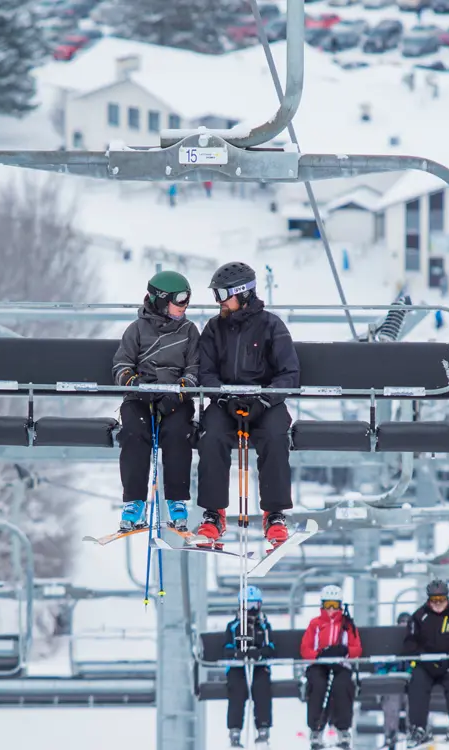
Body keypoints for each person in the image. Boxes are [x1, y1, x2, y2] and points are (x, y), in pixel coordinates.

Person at [194, 261, 300, 548]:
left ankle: (274, 514)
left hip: (266, 403)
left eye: (222, 295)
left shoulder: (271, 326)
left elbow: (289, 373)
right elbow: (205, 371)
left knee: (276, 435)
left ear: (243, 293)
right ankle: (214, 513)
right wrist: (223, 397)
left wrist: (265, 399)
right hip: (225, 402)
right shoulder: (215, 328)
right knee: (212, 434)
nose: (219, 302)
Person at [112, 270, 199, 532]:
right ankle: (134, 501)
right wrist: (136, 386)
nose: (185, 306)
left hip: (175, 400)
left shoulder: (189, 331)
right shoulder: (136, 330)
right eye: (180, 300)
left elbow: (195, 369)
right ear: (161, 300)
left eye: (187, 300)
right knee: (134, 432)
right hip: (141, 399)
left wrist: (179, 393)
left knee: (177, 433)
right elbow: (121, 366)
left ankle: (176, 500)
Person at [405, 579, 449, 747]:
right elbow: (410, 642)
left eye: (441, 599)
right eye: (434, 600)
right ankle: (419, 728)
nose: (437, 604)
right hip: (426, 664)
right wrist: (424, 658)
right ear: (428, 600)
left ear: (447, 598)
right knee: (418, 684)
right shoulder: (419, 616)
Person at [299, 585, 362, 750]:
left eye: (335, 605)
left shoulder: (347, 625)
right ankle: (316, 728)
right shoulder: (316, 624)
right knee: (318, 685)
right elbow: (305, 649)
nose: (331, 610)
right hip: (320, 665)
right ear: (322, 606)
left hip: (340, 664)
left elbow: (357, 649)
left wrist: (344, 651)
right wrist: (319, 655)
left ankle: (343, 729)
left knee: (342, 686)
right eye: (328, 605)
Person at [224, 585, 275, 746]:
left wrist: (260, 653)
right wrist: (236, 654)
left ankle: (263, 727)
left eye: (254, 606)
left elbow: (271, 647)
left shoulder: (264, 626)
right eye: (248, 607)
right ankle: (235, 730)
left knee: (261, 689)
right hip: (238, 667)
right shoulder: (233, 626)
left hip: (259, 666)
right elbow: (226, 648)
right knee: (237, 691)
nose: (251, 611)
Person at [377, 611, 413, 747]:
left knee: (415, 699)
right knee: (391, 700)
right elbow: (381, 662)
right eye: (401, 623)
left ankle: (413, 731)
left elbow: (419, 661)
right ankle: (391, 733)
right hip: (394, 680)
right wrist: (386, 671)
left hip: (410, 682)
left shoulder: (415, 641)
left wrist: (413, 669)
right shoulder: (390, 640)